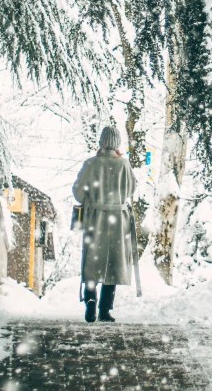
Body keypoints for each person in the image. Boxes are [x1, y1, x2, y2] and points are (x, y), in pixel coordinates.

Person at [72, 126, 136, 323]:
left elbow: (78, 191)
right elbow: (130, 189)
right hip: (117, 220)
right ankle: (105, 310)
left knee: (92, 262)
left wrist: (92, 199)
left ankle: (90, 303)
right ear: (117, 144)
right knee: (112, 265)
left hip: (95, 219)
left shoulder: (91, 164)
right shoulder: (124, 165)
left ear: (101, 142)